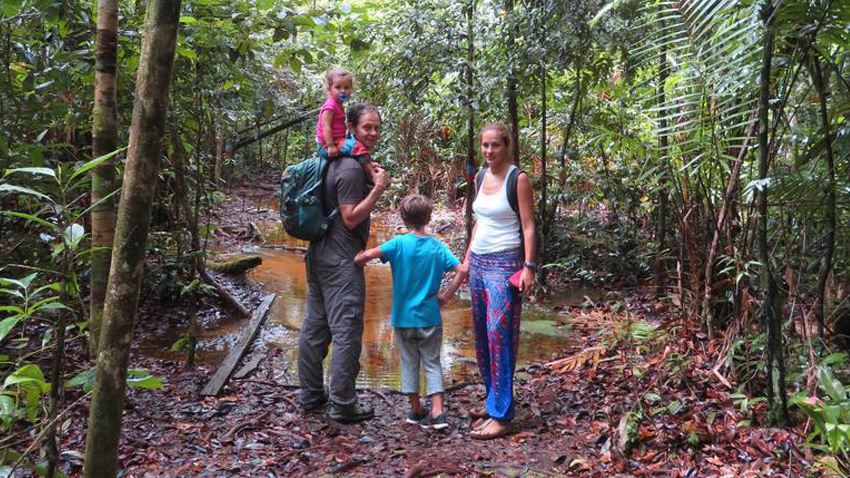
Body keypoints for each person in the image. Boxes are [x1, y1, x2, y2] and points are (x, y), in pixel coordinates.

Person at [297, 103, 390, 423]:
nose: (374, 133)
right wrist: (377, 189)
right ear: (349, 128)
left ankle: (311, 395)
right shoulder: (350, 168)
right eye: (367, 127)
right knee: (347, 331)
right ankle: (342, 404)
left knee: (315, 326)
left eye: (377, 127)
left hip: (318, 253)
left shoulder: (331, 161)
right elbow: (350, 218)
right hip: (340, 260)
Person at [353, 195, 467, 430]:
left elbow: (364, 257)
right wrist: (446, 296)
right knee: (432, 363)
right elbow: (462, 269)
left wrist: (357, 260)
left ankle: (416, 411)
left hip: (403, 319)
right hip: (430, 317)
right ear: (429, 217)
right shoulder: (437, 247)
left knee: (409, 363)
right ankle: (437, 412)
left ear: (403, 218)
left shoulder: (397, 244)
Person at [463, 122, 536, 440]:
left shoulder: (518, 179)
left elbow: (529, 226)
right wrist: (466, 260)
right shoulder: (480, 176)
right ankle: (494, 399)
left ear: (507, 145)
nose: (489, 151)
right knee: (481, 336)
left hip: (505, 265)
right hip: (479, 264)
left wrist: (529, 267)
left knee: (499, 336)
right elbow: (479, 221)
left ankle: (503, 416)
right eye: (485, 146)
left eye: (495, 145)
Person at [316, 68, 353, 158]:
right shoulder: (330, 106)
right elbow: (326, 126)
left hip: (338, 140)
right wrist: (331, 146)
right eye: (338, 87)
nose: (343, 91)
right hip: (326, 145)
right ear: (330, 89)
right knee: (355, 147)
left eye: (346, 87)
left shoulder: (338, 104)